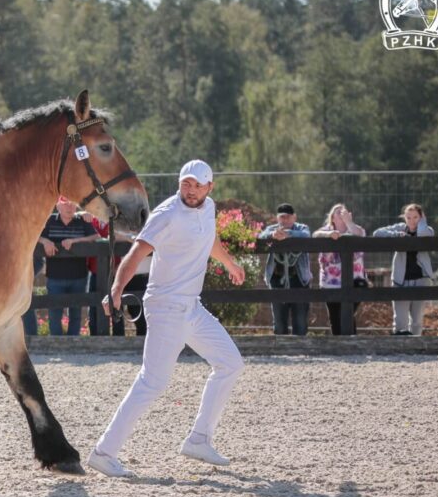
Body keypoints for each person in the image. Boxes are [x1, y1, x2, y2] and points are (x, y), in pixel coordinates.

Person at [87, 160, 246, 477]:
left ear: (209, 187)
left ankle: (199, 439)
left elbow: (209, 238)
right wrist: (117, 287)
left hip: (192, 307)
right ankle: (104, 453)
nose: (190, 190)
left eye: (197, 185)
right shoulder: (167, 214)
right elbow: (136, 254)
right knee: (152, 382)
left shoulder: (208, 207)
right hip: (165, 307)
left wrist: (229, 263)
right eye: (185, 183)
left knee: (230, 363)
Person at [39, 196, 99, 336]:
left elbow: (96, 237)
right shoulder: (49, 221)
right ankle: (56, 343)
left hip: (79, 276)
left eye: (72, 205)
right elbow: (33, 234)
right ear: (58, 206)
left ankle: (74, 342)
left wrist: (75, 240)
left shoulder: (82, 221)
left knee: (76, 314)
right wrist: (44, 241)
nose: (69, 207)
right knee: (54, 314)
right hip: (54, 277)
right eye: (65, 205)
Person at [372, 204, 435, 335]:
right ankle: (400, 346)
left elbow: (424, 234)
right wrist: (396, 235)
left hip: (421, 280)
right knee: (400, 320)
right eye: (408, 217)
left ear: (421, 217)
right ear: (404, 218)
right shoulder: (400, 228)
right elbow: (377, 233)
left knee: (417, 320)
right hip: (401, 280)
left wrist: (423, 222)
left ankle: (416, 345)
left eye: (416, 217)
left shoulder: (427, 230)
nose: (412, 220)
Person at [313, 203, 367, 335]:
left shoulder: (355, 229)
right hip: (331, 283)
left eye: (344, 212)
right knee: (335, 317)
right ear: (332, 218)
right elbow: (315, 234)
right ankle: (339, 345)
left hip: (355, 281)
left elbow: (360, 234)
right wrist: (329, 234)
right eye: (338, 212)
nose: (342, 214)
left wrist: (349, 222)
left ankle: (350, 344)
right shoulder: (326, 230)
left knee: (347, 312)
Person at [258, 203, 312, 335]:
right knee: (279, 321)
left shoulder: (302, 228)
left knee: (300, 320)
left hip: (299, 279)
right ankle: (280, 350)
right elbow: (261, 236)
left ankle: (300, 349)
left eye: (288, 217)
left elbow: (306, 235)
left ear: (294, 217)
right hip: (277, 279)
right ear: (277, 218)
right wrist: (273, 235)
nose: (285, 220)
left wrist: (288, 234)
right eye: (282, 217)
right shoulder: (272, 229)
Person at [84, 213, 127, 336]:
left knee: (116, 306)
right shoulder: (92, 221)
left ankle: (119, 337)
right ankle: (95, 337)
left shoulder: (117, 222)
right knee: (94, 307)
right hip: (94, 271)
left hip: (114, 272)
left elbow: (124, 236)